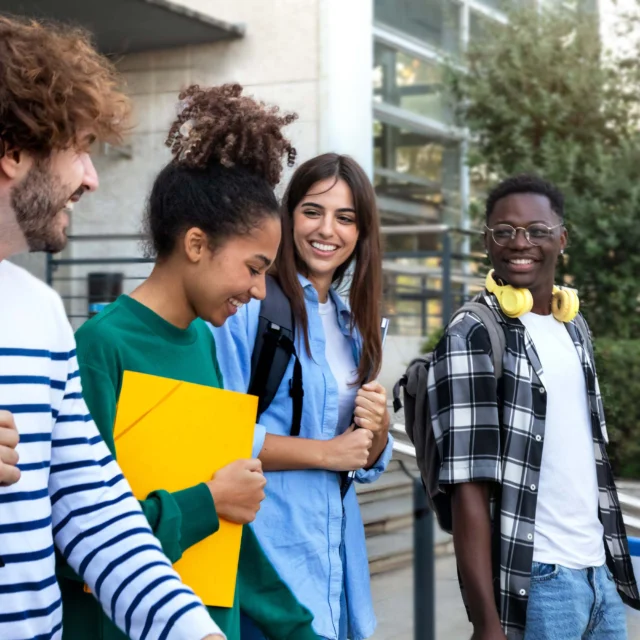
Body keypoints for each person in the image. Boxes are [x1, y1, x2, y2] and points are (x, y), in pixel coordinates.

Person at [66, 83, 318, 640]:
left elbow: (230, 539)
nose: (258, 292)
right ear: (197, 244)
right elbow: (80, 538)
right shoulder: (101, 348)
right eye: (254, 268)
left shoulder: (202, 344)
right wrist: (207, 502)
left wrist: (300, 631)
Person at [0, 14, 224, 640]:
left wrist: (194, 632)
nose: (92, 179)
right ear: (13, 151)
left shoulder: (40, 312)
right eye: (81, 149)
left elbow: (95, 510)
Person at [428, 174, 640, 640]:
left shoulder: (573, 326)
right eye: (504, 231)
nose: (519, 242)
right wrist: (486, 621)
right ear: (487, 241)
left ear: (561, 238)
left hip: (598, 573)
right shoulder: (474, 333)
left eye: (537, 231)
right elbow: (468, 487)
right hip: (539, 584)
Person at [213, 153, 394, 640]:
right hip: (265, 562)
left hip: (336, 564)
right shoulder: (249, 306)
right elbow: (218, 435)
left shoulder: (355, 322)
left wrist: (377, 428)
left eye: (346, 217)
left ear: (361, 232)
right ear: (288, 215)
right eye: (313, 211)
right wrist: (327, 454)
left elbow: (365, 459)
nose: (327, 230)